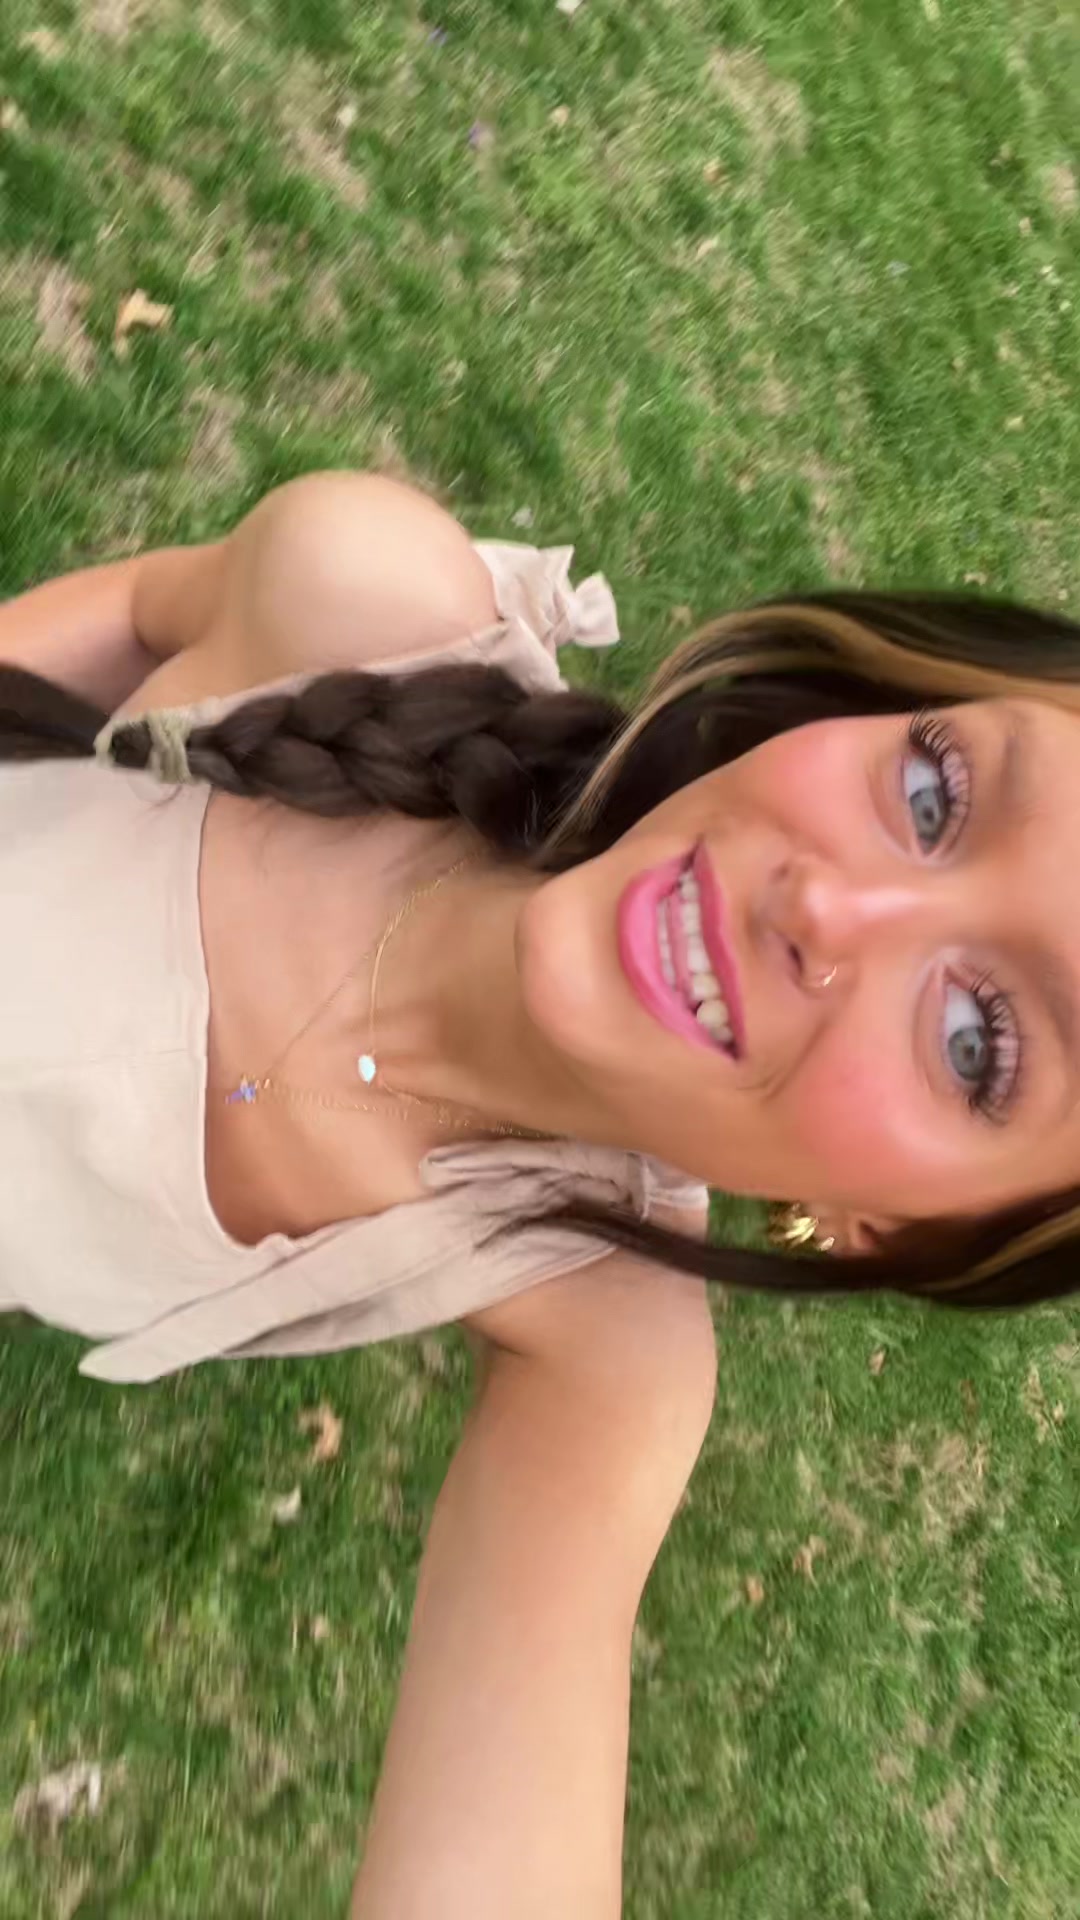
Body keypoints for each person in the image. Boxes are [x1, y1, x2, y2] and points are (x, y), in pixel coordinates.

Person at [5, 470, 1080, 1911]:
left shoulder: (605, 1359)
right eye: (936, 794)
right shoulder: (365, 599)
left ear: (895, 1231)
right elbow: (143, 611)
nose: (831, 904)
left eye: (974, 1044)